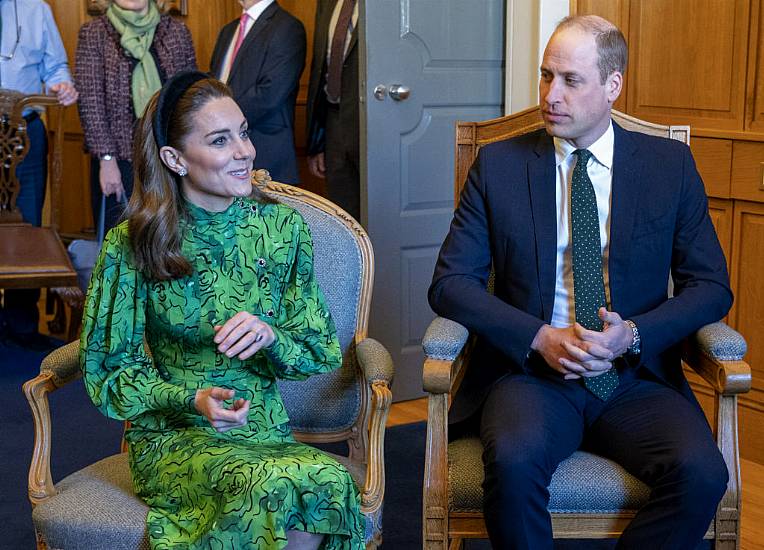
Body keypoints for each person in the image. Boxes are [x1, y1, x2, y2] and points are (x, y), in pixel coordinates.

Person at [429, 15, 732, 549]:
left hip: (634, 376)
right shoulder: (498, 165)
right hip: (531, 376)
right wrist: (539, 337)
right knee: (516, 462)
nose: (551, 94)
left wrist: (632, 334)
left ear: (613, 85)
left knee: (703, 472)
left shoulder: (670, 167)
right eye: (546, 76)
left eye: (570, 80)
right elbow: (451, 282)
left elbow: (710, 286)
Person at [80, 72, 364, 549]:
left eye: (244, 132)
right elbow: (107, 372)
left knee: (326, 482)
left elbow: (319, 351)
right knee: (267, 488)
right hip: (174, 440)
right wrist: (190, 400)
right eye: (219, 140)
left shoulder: (281, 228)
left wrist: (271, 336)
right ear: (173, 158)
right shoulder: (133, 243)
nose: (244, 152)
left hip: (264, 432)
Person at [75, 0, 196, 233]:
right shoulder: (94, 33)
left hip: (169, 155)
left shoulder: (177, 32)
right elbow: (91, 102)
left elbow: (188, 96)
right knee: (121, 237)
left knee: (172, 234)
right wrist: (106, 160)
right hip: (118, 159)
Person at [0, 0, 78, 350]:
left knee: (27, 225)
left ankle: (21, 323)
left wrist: (62, 86)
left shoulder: (35, 8)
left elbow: (56, 67)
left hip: (25, 134)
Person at [210, 0, 305, 184]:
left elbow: (269, 95)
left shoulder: (288, 27)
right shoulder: (228, 31)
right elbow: (214, 85)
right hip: (222, 161)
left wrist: (217, 121)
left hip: (266, 157)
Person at [306, 0, 359, 221]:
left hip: (372, 123)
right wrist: (317, 141)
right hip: (333, 122)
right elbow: (321, 68)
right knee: (342, 218)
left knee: (380, 220)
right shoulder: (327, 3)